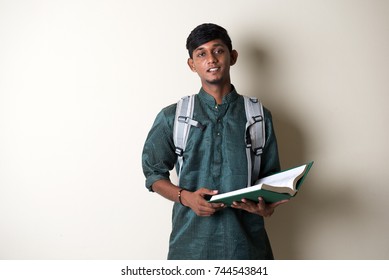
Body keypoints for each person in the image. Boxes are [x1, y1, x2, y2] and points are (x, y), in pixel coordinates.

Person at [142, 23, 287, 259]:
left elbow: (271, 182)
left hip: (247, 249)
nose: (211, 59)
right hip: (189, 249)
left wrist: (266, 207)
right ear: (192, 64)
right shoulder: (173, 116)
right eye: (201, 53)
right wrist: (185, 197)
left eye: (218, 50)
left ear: (232, 56)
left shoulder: (258, 116)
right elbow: (153, 174)